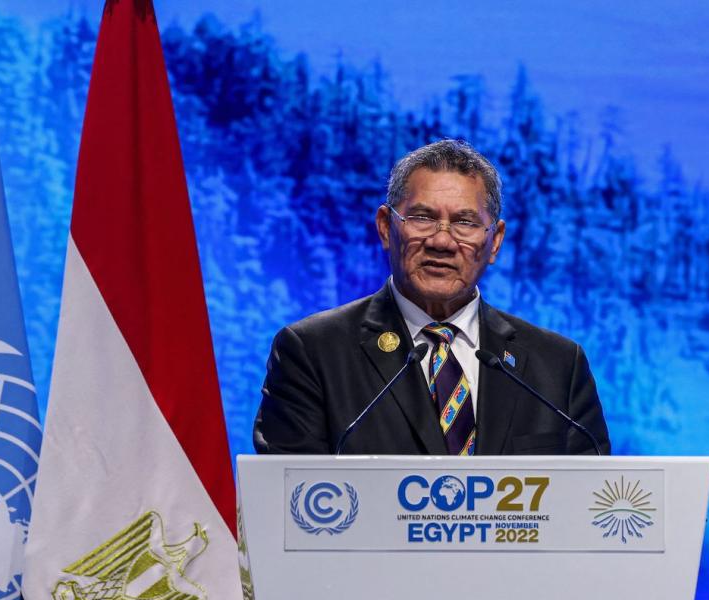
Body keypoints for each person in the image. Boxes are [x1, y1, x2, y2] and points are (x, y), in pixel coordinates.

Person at [253, 139, 610, 456]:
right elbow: (287, 508)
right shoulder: (314, 353)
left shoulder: (558, 366)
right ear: (385, 227)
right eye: (422, 218)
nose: (442, 241)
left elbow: (591, 510)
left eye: (465, 222)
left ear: (495, 242)